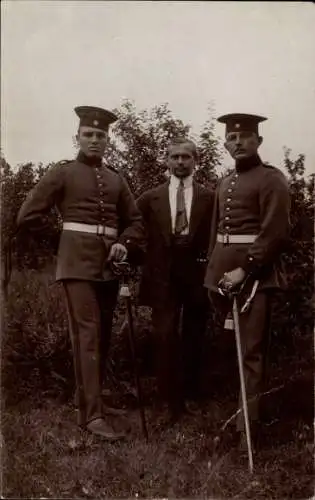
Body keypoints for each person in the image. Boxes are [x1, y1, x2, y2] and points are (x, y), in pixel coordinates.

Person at [16, 106, 145, 440]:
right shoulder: (62, 172)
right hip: (76, 265)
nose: (95, 140)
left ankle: (92, 402)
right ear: (77, 136)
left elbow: (135, 221)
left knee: (102, 335)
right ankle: (91, 416)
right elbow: (28, 215)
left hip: (108, 266)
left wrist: (125, 245)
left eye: (101, 135)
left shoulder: (116, 178)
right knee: (87, 335)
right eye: (88, 134)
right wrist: (64, 241)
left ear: (108, 140)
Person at [204, 113, 291, 451]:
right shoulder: (225, 182)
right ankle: (239, 417)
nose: (237, 143)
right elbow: (217, 233)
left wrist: (246, 270)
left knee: (251, 353)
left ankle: (248, 430)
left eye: (244, 137)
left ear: (258, 141)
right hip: (221, 278)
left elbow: (275, 233)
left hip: (254, 276)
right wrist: (213, 274)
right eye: (231, 138)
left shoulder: (272, 179)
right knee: (232, 350)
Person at [136, 138, 214, 424]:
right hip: (162, 277)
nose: (180, 162)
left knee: (194, 335)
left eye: (186, 157)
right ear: (166, 161)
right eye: (174, 157)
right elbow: (133, 226)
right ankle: (166, 398)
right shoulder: (150, 197)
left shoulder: (210, 197)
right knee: (165, 335)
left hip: (196, 275)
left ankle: (192, 396)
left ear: (196, 161)